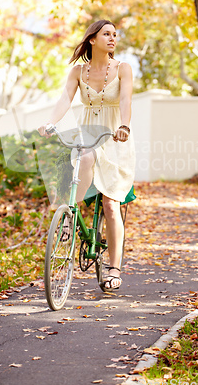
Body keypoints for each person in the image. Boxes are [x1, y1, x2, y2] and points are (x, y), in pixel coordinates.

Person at [38, 19, 135, 290]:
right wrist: (51, 123)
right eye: (107, 34)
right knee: (86, 157)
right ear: (92, 39)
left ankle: (114, 268)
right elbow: (64, 100)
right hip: (89, 133)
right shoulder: (78, 72)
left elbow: (126, 99)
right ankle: (70, 215)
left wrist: (124, 126)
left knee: (110, 205)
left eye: (115, 34)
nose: (113, 38)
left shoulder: (123, 68)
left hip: (116, 136)